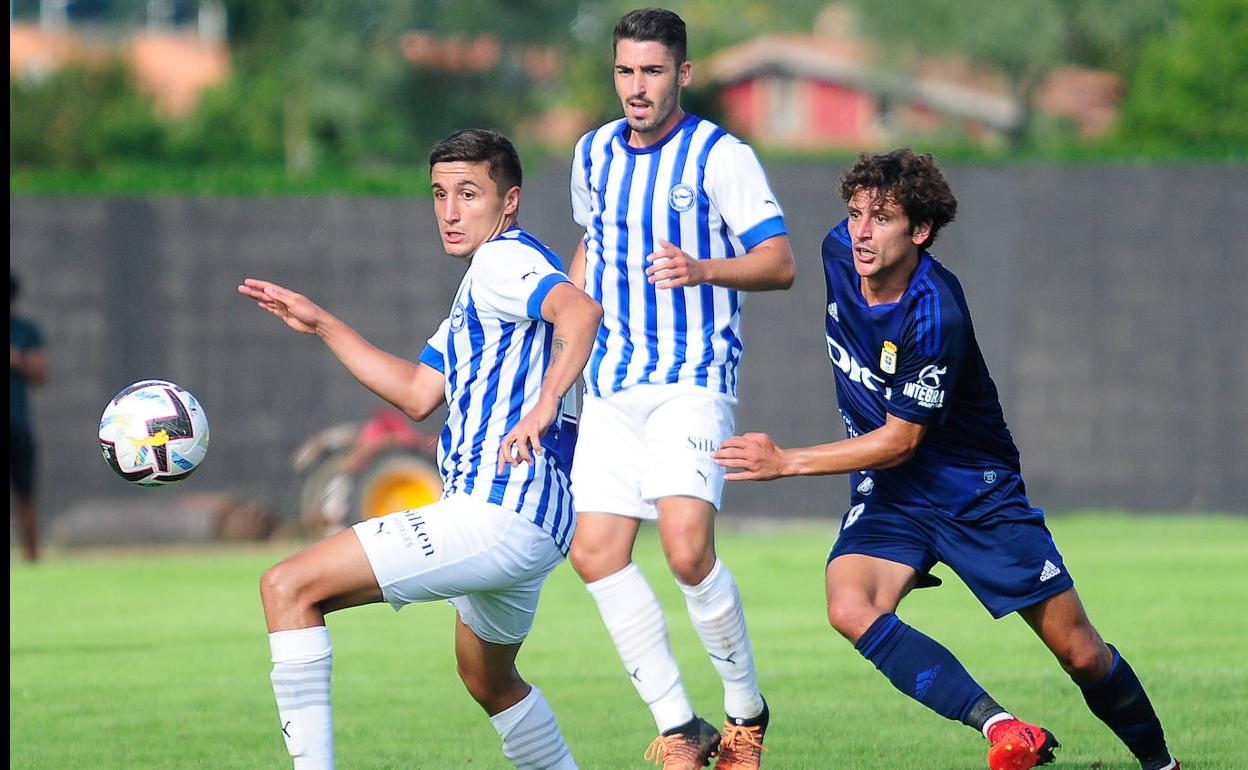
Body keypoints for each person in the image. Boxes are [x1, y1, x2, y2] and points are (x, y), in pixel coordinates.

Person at [714, 148, 1179, 770]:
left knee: (1081, 654)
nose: (860, 232)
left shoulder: (936, 312)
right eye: (854, 214)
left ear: (921, 230)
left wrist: (785, 461)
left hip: (972, 492)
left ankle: (1162, 766)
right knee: (849, 605)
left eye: (881, 218)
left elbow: (902, 439)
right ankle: (1004, 728)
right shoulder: (837, 252)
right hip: (893, 493)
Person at [238, 129, 602, 770]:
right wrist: (322, 323)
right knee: (487, 679)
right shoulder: (485, 286)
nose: (451, 211)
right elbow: (415, 391)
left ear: (508, 201)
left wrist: (545, 402)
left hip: (498, 510)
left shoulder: (500, 263)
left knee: (287, 587)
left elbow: (581, 313)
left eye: (469, 193)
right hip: (536, 522)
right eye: (439, 194)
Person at [566, 8, 795, 769]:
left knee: (687, 550)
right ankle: (680, 727)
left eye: (653, 71)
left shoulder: (720, 156)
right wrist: (567, 335)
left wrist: (702, 269)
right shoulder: (592, 153)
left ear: (683, 74)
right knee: (595, 553)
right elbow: (592, 247)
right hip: (610, 386)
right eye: (626, 71)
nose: (637, 86)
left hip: (690, 379)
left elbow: (779, 263)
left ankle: (745, 714)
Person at [10, 273, 46, 563]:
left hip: (17, 426)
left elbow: (40, 375)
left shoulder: (25, 331)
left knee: (25, 494)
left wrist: (17, 361)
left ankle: (32, 559)